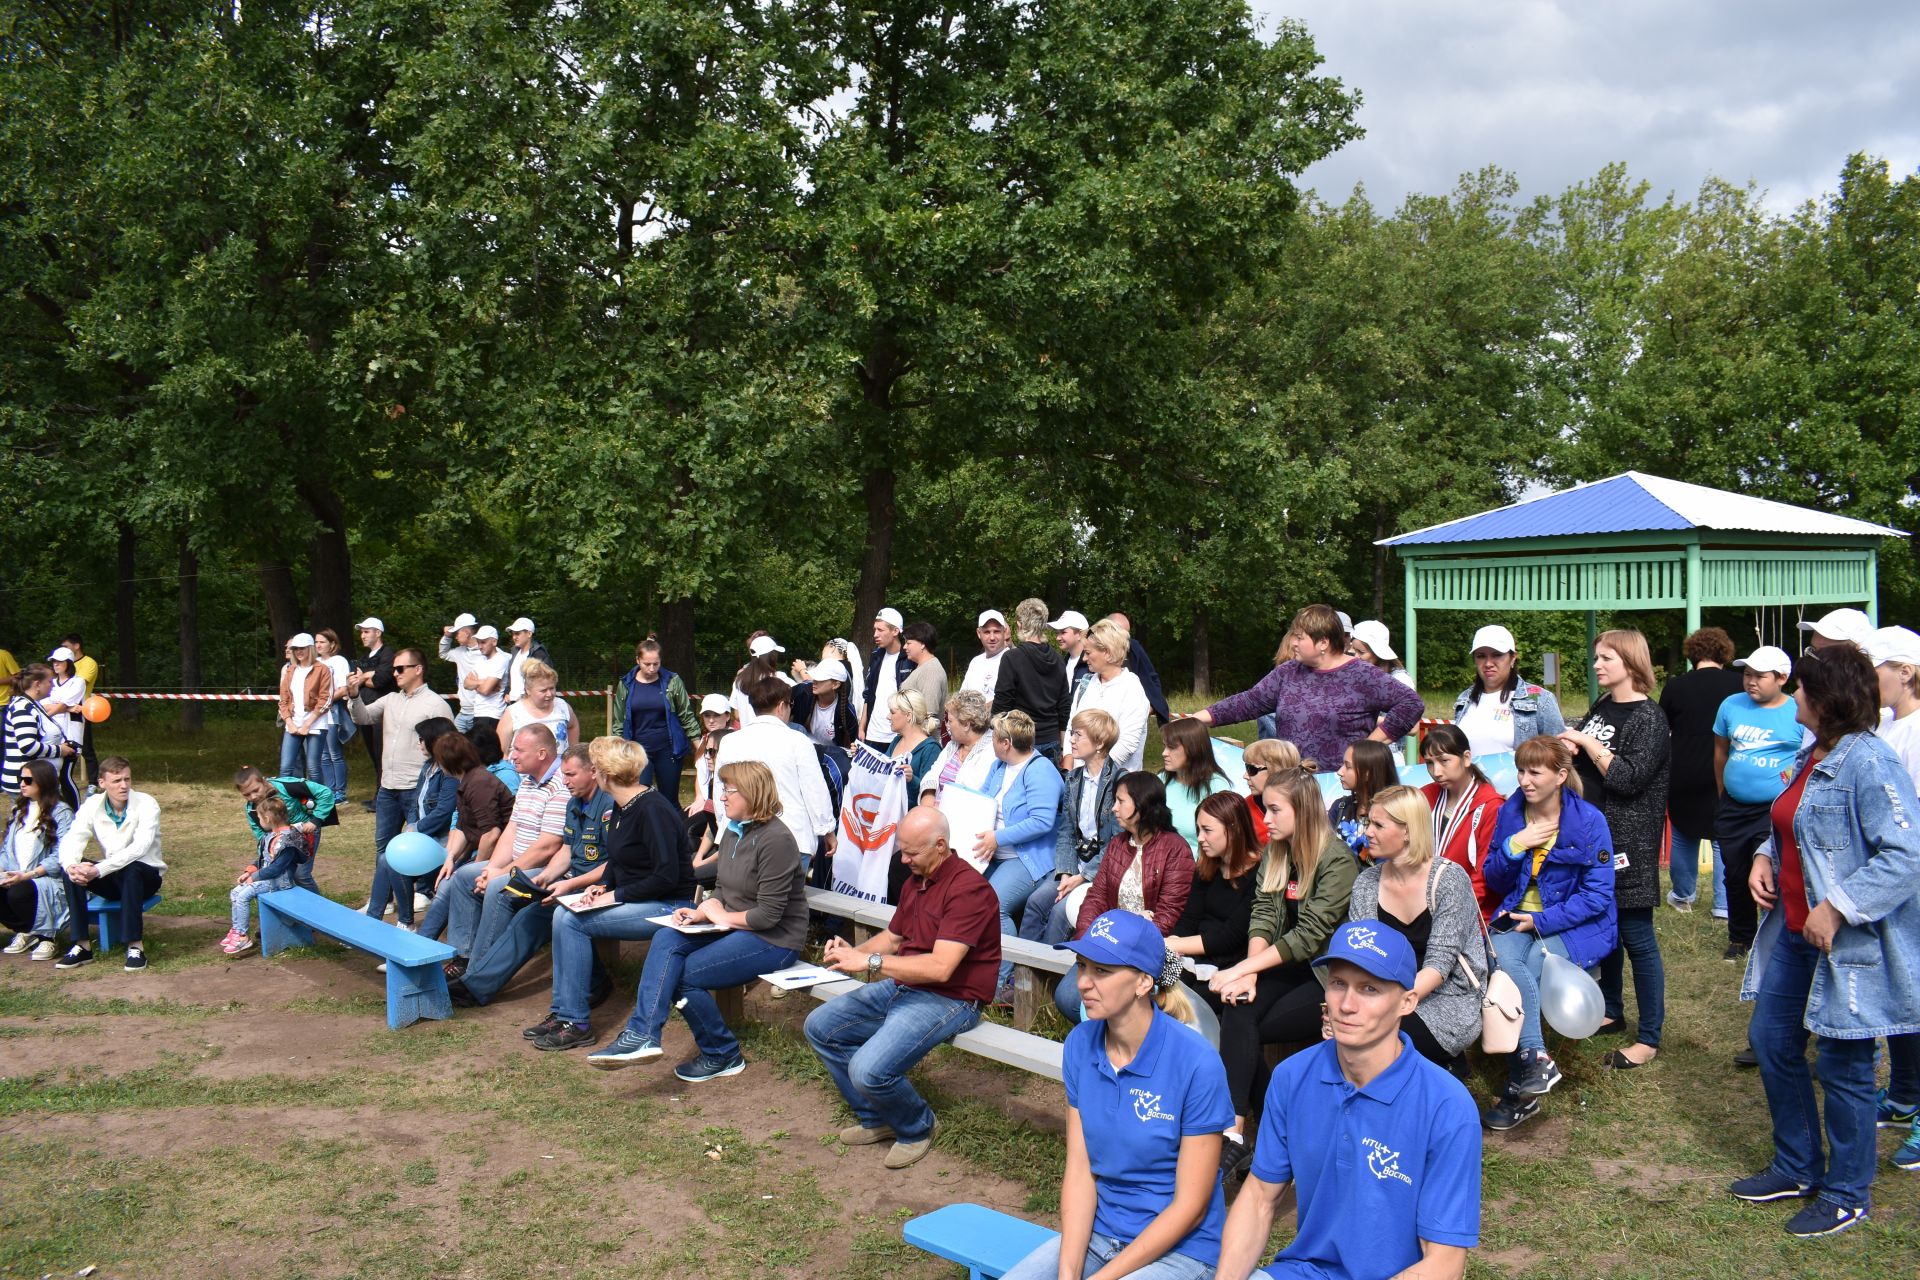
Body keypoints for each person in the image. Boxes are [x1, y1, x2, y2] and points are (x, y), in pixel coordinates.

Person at [1734, 644, 1920, 1237]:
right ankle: (1796, 1165)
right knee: (1771, 1039)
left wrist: (1837, 907)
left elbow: (1905, 855)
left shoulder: (1870, 762)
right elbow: (1791, 822)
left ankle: (1846, 1191)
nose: (1794, 697)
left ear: (1824, 698)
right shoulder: (1813, 754)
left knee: (1845, 1063)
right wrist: (1766, 856)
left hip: (1842, 943)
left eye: (1802, 688)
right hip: (1792, 931)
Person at [1214, 923, 1482, 1280]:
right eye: (1338, 983)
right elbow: (1260, 1197)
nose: (1347, 1005)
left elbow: (1444, 1263)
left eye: (1369, 989)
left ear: (1407, 1002)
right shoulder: (1292, 1077)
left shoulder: (1447, 1106)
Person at [1000, 910, 1231, 1280]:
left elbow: (1191, 1208)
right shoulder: (1079, 1044)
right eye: (1081, 966)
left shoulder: (1196, 1062)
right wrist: (1068, 1272)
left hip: (1182, 1252)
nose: (1084, 983)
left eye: (1102, 971)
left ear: (1143, 982)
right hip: (1100, 1236)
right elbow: (1080, 1171)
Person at [588, 759, 809, 1081]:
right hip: (734, 925)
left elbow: (769, 916)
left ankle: (722, 1053)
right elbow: (720, 887)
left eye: (729, 790)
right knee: (668, 937)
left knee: (683, 975)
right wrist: (703, 910)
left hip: (775, 940)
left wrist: (720, 914)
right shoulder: (733, 831)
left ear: (752, 793)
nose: (721, 797)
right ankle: (642, 1035)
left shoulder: (776, 839)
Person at [807, 806, 1002, 1169]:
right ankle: (877, 1117)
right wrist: (853, 952)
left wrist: (869, 963)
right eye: (902, 849)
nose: (903, 858)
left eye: (912, 851)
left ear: (940, 845)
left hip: (952, 999)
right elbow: (895, 938)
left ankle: (917, 1127)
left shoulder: (969, 890)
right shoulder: (918, 879)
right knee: (821, 1027)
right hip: (908, 985)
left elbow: (942, 968)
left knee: (868, 1070)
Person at [1209, 767, 1356, 1143]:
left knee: (1240, 1025)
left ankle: (1254, 1130)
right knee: (1239, 1006)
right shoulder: (1278, 852)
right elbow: (1264, 915)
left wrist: (1244, 966)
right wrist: (1249, 974)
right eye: (1264, 808)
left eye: (1274, 810)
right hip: (1283, 965)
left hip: (1325, 976)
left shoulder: (1336, 862)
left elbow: (1309, 937)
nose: (1266, 819)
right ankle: (1238, 1131)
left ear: (1302, 811)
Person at [1480, 735, 1616, 1132]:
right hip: (1516, 917)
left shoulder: (1589, 821)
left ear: (1560, 775)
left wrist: (1540, 921)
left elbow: (1598, 896)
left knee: (1520, 971)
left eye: (1534, 772)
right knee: (1502, 965)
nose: (1524, 780)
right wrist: (1514, 846)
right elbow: (1493, 878)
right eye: (1521, 770)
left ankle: (1519, 1090)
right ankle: (1536, 1059)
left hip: (1576, 928)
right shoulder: (1511, 812)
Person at [528, 736, 697, 1051]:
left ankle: (576, 1021)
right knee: (563, 914)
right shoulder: (623, 805)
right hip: (641, 898)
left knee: (571, 921)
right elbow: (620, 858)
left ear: (605, 773)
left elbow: (666, 876)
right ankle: (563, 1011)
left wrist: (615, 896)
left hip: (669, 904)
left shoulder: (652, 809)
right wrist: (604, 883)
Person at [1560, 628, 1669, 1069]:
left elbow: (1627, 778)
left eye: (1606, 658)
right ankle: (1611, 1010)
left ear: (1629, 662)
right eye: (1597, 657)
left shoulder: (1649, 718)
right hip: (1594, 837)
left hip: (1628, 843)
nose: (1597, 665)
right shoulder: (1605, 705)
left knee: (1636, 935)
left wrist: (1585, 741)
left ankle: (1649, 1037)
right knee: (1607, 931)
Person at [451, 743, 617, 1007]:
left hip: (600, 889)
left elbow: (615, 865)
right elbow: (566, 849)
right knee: (526, 912)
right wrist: (547, 877)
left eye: (571, 775)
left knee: (540, 919)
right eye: (563, 774)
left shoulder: (610, 807)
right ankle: (474, 980)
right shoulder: (574, 802)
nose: (565, 781)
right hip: (571, 884)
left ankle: (474, 985)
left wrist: (570, 883)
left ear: (593, 772)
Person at [1348, 785, 1486, 1072]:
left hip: (1447, 1000)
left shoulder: (1448, 879)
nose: (1367, 832)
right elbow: (1359, 956)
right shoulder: (1367, 884)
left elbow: (1439, 965)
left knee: (1373, 1047)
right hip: (1385, 996)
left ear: (1408, 831)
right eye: (1367, 823)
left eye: (1378, 825)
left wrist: (1386, 1007)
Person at [1190, 604, 1424, 769]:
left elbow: (1411, 704)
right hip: (1293, 788)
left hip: (1340, 789)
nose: (1292, 643)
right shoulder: (1288, 672)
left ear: (1323, 642)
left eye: (1300, 637)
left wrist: (1369, 747)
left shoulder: (1362, 675)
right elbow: (1248, 702)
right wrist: (1195, 721)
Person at [1058, 772, 1193, 1022]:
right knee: (1067, 997)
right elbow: (1096, 897)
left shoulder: (1175, 849)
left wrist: (1123, 940)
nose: (1113, 808)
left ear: (1142, 805)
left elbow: (1168, 915)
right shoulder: (1118, 844)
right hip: (1107, 943)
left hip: (1144, 950)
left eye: (1121, 801)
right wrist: (1087, 941)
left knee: (1092, 1003)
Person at [441, 724, 568, 975]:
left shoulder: (561, 784)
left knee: (499, 889)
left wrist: (502, 874)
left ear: (541, 754)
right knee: (465, 876)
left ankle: (479, 972)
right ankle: (463, 957)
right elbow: (512, 829)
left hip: (547, 869)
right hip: (520, 864)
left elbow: (548, 847)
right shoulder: (528, 781)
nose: (512, 756)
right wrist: (492, 867)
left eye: (519, 750)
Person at [1865, 625, 1920, 1159]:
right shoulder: (1884, 726)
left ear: (1906, 671)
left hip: (1911, 877)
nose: (1870, 679)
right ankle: (1904, 1094)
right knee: (1901, 991)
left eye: (1877, 668)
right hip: (1891, 882)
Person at [349, 648, 454, 928]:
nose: (393, 674)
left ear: (418, 669)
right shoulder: (391, 699)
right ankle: (380, 903)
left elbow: (449, 747)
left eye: (400, 669)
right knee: (384, 848)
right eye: (394, 669)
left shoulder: (436, 704)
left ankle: (422, 892)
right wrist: (354, 695)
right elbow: (363, 717)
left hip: (417, 787)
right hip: (388, 786)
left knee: (418, 844)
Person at [1713, 645, 1799, 968]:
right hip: (1734, 807)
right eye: (1747, 674)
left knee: (1770, 873)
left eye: (1759, 676)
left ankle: (1775, 936)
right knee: (1734, 872)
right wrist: (1724, 792)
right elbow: (1720, 752)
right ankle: (1740, 937)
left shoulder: (1796, 711)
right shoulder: (1730, 706)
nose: (1750, 682)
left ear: (1782, 678)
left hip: (1774, 808)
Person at [975, 710, 1066, 995]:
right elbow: (981, 799)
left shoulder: (1040, 770)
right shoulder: (999, 767)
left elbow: (1042, 821)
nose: (991, 742)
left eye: (994, 737)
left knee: (993, 903)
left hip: (1027, 858)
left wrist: (997, 837)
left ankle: (1002, 980)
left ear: (1005, 743)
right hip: (993, 852)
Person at [1659, 627, 1744, 913]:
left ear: (1692, 653)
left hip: (1683, 770)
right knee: (1723, 837)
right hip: (1728, 770)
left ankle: (1683, 896)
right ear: (1725, 653)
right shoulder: (1738, 685)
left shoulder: (1675, 686)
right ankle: (1724, 905)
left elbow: (1662, 730)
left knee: (1683, 833)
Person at [1023, 707, 1123, 945]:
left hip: (1101, 869)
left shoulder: (1120, 781)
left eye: (1078, 735)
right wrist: (1066, 871)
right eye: (1072, 734)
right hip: (1075, 864)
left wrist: (1083, 876)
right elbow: (1066, 831)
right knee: (1036, 903)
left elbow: (1117, 843)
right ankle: (1023, 974)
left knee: (1059, 913)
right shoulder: (1074, 778)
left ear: (1099, 743)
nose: (1071, 740)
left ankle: (1050, 976)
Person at [54, 757, 164, 971]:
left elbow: (139, 848)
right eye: (116, 781)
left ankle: (135, 946)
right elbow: (73, 838)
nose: (123, 785)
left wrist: (98, 869)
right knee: (73, 869)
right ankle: (82, 945)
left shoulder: (147, 803)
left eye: (127, 779)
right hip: (113, 874)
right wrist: (71, 866)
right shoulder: (92, 804)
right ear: (102, 783)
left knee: (131, 868)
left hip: (145, 875)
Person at [712, 677, 836, 863]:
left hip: (740, 835)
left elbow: (720, 791)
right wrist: (826, 830)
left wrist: (723, 824)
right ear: (781, 706)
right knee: (786, 893)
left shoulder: (730, 741)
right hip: (790, 836)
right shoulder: (798, 741)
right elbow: (814, 789)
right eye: (790, 704)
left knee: (740, 892)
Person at [413, 730, 515, 944]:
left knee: (453, 884)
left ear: (446, 761)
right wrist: (451, 858)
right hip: (485, 851)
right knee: (447, 881)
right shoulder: (468, 780)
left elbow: (491, 834)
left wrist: (474, 868)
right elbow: (463, 826)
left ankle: (430, 945)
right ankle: (425, 942)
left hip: (506, 855)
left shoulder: (479, 783)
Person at [1167, 791, 1261, 1015]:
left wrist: (1172, 945)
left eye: (1207, 830)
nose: (1200, 838)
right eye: (1199, 829)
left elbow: (1229, 938)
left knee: (1181, 1002)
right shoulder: (1208, 867)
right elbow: (1188, 920)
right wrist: (1173, 943)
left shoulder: (1259, 874)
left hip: (1230, 965)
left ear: (1233, 829)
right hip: (1194, 956)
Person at [1418, 723, 1504, 918]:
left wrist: (1451, 912)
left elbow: (1483, 875)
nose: (1436, 771)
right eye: (1429, 763)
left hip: (1470, 912)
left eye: (1444, 761)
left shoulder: (1491, 806)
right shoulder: (1425, 795)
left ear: (1466, 758)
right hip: (1421, 904)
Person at [1450, 624, 1566, 761]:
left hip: (1520, 783)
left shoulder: (1540, 699)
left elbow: (1559, 757)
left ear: (1513, 658)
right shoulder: (1464, 699)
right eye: (1481, 656)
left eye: (1497, 655)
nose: (1488, 663)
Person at [220, 794, 314, 955]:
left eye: (259, 817)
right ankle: (236, 930)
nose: (258, 821)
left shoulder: (289, 841)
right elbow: (263, 859)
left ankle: (242, 937)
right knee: (235, 891)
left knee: (244, 895)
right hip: (267, 878)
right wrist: (249, 871)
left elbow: (277, 868)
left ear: (268, 818)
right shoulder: (271, 836)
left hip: (280, 882)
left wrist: (254, 878)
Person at [1, 759, 73, 960]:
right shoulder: (19, 811)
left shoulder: (61, 812)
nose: (22, 784)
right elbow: (7, 849)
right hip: (17, 874)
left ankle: (46, 938)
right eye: (20, 779)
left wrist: (30, 874)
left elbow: (63, 852)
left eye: (27, 780)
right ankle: (26, 930)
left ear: (43, 781)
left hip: (47, 878)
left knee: (18, 893)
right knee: (9, 888)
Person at [614, 637, 702, 802]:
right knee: (639, 798)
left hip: (668, 749)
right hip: (637, 751)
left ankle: (674, 827)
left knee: (670, 800)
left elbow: (686, 715)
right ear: (637, 660)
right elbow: (618, 722)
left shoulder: (672, 681)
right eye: (647, 664)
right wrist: (618, 749)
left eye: (656, 663)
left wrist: (699, 746)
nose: (652, 668)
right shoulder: (625, 684)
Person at [232, 764, 332, 894]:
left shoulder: (287, 786)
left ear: (263, 781)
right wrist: (266, 855)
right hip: (281, 841)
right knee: (284, 874)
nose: (253, 797)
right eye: (247, 795)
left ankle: (318, 907)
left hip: (305, 832)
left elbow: (325, 793)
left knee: (300, 875)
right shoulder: (251, 809)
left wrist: (316, 820)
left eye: (256, 790)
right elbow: (261, 835)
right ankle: (295, 906)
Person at [1068, 618, 1151, 773]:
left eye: (1088, 653)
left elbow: (1128, 743)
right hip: (1082, 782)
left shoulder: (1131, 687)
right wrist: (1071, 767)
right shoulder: (1086, 683)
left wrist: (1098, 774)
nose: (1084, 658)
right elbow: (1071, 728)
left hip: (1118, 786)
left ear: (1106, 652)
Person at [993, 598, 1071, 760]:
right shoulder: (1058, 659)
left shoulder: (1012, 658)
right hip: (1052, 740)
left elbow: (1002, 705)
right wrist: (1064, 748)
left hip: (1020, 741)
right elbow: (1064, 706)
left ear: (1019, 625)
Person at [4, 664, 79, 810]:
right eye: (50, 682)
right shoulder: (22, 708)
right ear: (37, 684)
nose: (52, 686)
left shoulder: (32, 705)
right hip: (25, 782)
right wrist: (60, 750)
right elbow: (28, 746)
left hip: (36, 781)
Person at [1159, 717, 1232, 854]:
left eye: (1171, 747)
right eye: (1164, 746)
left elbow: (1226, 840)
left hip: (1198, 869)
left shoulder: (1216, 787)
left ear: (1192, 749)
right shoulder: (1161, 780)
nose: (1164, 753)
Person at [347, 617, 397, 807]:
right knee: (374, 755)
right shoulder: (365, 657)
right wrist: (367, 676)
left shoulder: (388, 654)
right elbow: (354, 679)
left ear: (378, 632)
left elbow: (380, 680)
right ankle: (379, 795)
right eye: (362, 632)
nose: (363, 635)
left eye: (367, 631)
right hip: (365, 710)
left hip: (382, 712)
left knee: (382, 754)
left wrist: (365, 676)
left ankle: (382, 798)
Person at [921, 690, 996, 805]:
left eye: (950, 721)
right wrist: (927, 803)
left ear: (966, 724)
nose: (947, 725)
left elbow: (971, 792)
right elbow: (932, 775)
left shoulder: (991, 750)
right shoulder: (954, 744)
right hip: (934, 812)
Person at [498, 659, 584, 758]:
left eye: (552, 688)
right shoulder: (513, 713)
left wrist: (572, 754)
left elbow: (573, 726)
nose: (549, 694)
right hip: (522, 773)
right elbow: (501, 752)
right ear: (528, 690)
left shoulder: (562, 706)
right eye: (543, 690)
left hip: (560, 770)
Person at [277, 633, 333, 782]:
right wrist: (289, 722)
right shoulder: (290, 670)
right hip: (293, 724)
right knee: (285, 767)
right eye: (295, 649)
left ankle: (320, 804)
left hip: (316, 723)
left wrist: (308, 724)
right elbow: (283, 700)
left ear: (310, 649)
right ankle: (286, 803)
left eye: (302, 648)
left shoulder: (323, 669)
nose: (298, 652)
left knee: (313, 768)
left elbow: (325, 699)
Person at [1327, 739, 1399, 857]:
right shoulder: (1340, 807)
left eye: (1348, 766)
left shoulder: (1395, 811)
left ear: (1367, 773)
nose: (1340, 771)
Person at [862, 608, 915, 748]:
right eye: (874, 630)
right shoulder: (876, 656)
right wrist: (862, 727)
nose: (875, 634)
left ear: (895, 631)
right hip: (872, 733)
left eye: (880, 630)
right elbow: (868, 694)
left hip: (897, 734)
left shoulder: (909, 658)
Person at [1108, 610, 1173, 723]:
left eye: (1127, 634)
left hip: (1131, 719)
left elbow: (1152, 678)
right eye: (1122, 633)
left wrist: (1151, 706)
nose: (1125, 639)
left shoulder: (1133, 648)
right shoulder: (1093, 651)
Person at [57, 634, 100, 790]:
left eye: (66, 646)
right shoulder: (62, 666)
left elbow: (78, 685)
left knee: (86, 748)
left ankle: (93, 782)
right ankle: (60, 778)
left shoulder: (89, 663)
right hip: (60, 712)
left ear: (77, 646)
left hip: (81, 710)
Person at [41, 647, 87, 787]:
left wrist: (48, 713)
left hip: (70, 733)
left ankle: (75, 808)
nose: (56, 664)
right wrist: (69, 708)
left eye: (59, 661)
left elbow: (61, 704)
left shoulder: (78, 682)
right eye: (54, 661)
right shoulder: (50, 683)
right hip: (51, 734)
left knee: (65, 776)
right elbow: (42, 704)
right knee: (50, 776)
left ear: (68, 663)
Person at [790, 657, 858, 749]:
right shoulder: (802, 692)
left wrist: (854, 749)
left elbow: (852, 744)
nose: (814, 681)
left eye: (821, 679)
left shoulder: (847, 711)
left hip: (830, 755)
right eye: (815, 677)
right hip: (801, 748)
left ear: (836, 685)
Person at [731, 634, 785, 727]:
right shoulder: (779, 677)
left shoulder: (739, 681)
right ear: (772, 655)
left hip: (746, 736)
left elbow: (737, 715)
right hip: (774, 736)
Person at [899, 622, 949, 721]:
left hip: (922, 736)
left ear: (922, 645)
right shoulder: (923, 667)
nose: (904, 647)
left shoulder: (931, 671)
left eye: (908, 643)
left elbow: (928, 715)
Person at [960, 609, 1011, 701]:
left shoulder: (1012, 660)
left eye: (996, 631)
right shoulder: (975, 662)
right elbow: (961, 698)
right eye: (987, 632)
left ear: (1004, 631)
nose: (992, 637)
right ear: (979, 633)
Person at [1349, 619, 1416, 689]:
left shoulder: (1400, 679)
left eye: (1361, 652)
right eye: (1354, 650)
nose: (1356, 656)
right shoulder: (1357, 673)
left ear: (1377, 653)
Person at [504, 617, 552, 703]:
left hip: (530, 704)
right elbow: (511, 677)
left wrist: (527, 697)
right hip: (512, 703)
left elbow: (545, 680)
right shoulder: (514, 651)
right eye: (513, 634)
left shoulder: (539, 653)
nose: (514, 637)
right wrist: (507, 692)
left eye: (517, 633)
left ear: (529, 634)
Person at [1053, 608, 1092, 695]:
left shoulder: (1093, 664)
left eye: (1063, 632)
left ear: (1079, 634)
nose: (1058, 638)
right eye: (1057, 633)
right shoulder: (1062, 664)